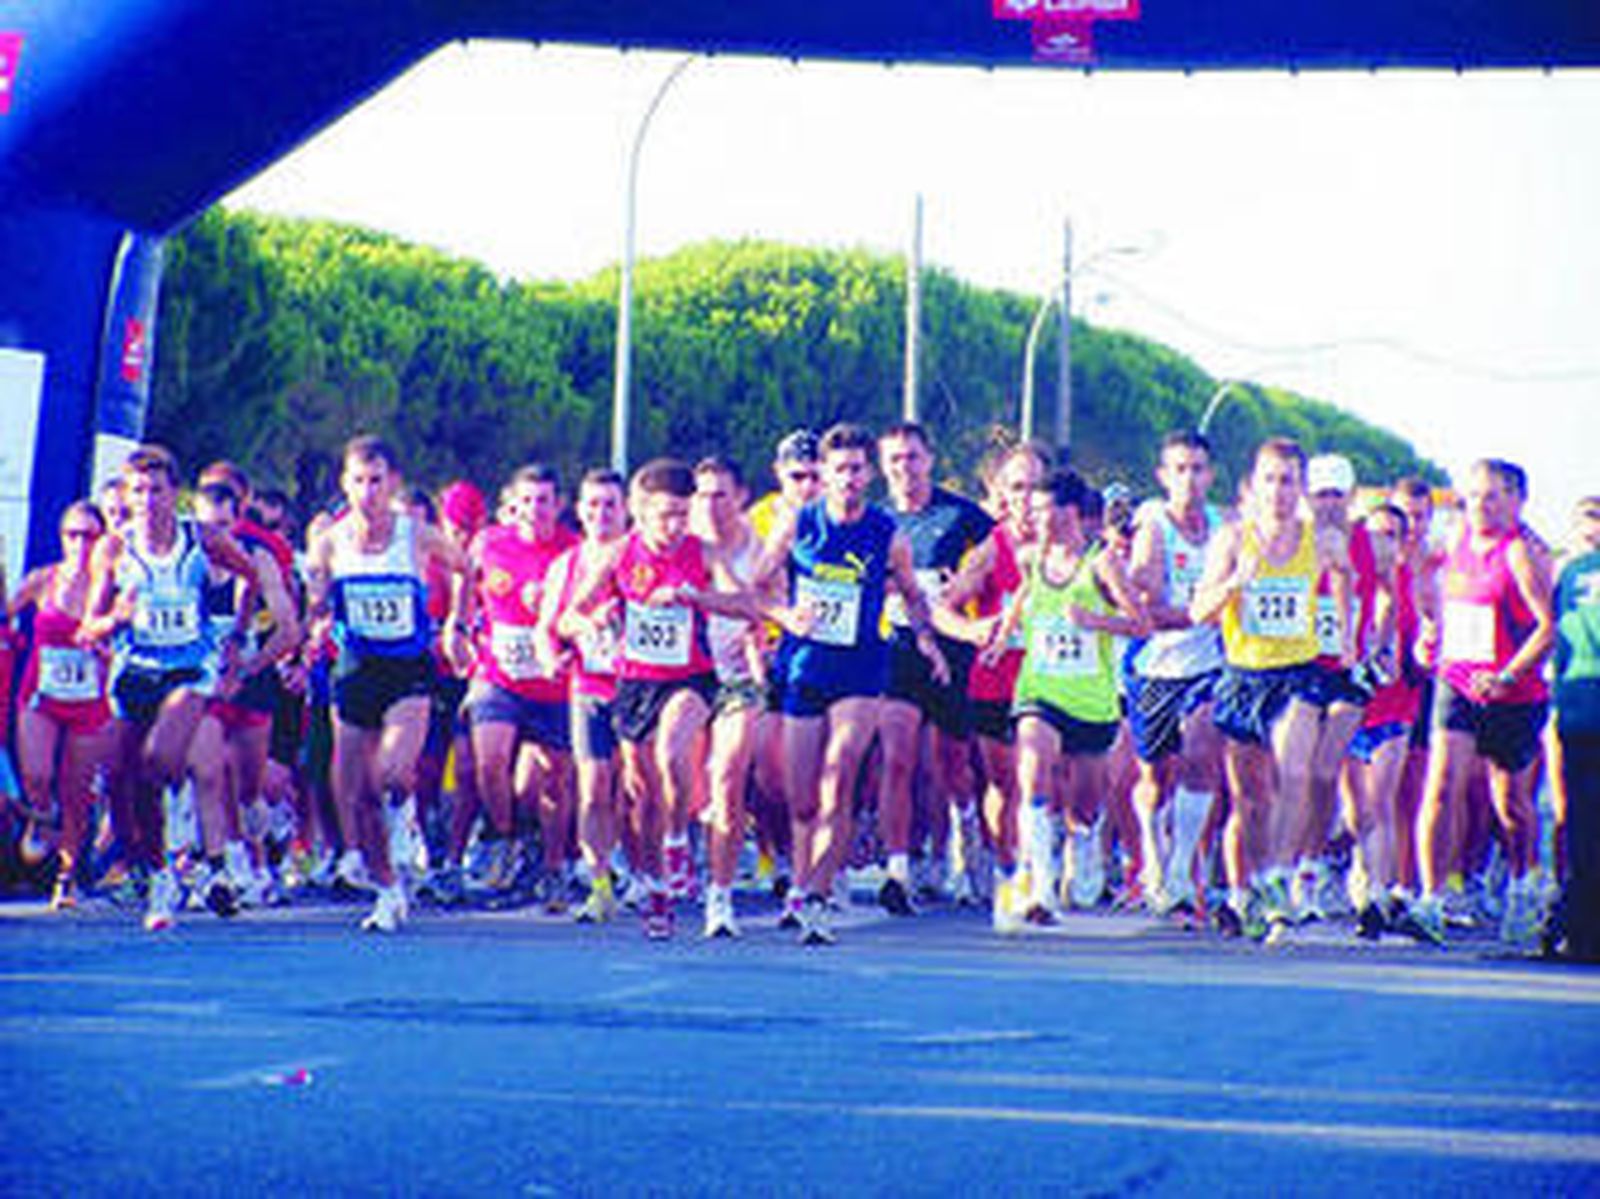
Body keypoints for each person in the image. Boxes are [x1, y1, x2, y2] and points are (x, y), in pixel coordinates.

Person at [753, 422, 946, 945]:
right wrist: (783, 615)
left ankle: (815, 897)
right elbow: (757, 587)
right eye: (838, 469)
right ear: (824, 474)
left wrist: (927, 640)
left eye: (858, 468)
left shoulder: (888, 534)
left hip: (861, 671)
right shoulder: (798, 524)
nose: (848, 478)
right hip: (804, 670)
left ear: (869, 474)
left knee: (838, 777)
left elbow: (910, 594)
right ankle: (805, 879)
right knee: (800, 798)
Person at [562, 458, 757, 939]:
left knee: (673, 755)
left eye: (681, 514)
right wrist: (592, 621)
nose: (674, 526)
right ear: (639, 512)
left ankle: (676, 846)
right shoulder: (617, 556)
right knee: (642, 794)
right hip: (633, 685)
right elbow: (566, 619)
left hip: (690, 679)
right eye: (664, 515)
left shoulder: (703, 552)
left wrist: (697, 597)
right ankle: (657, 891)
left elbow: (746, 603)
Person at [81, 445, 260, 931]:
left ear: (174, 494)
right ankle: (159, 873)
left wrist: (236, 640)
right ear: (126, 495)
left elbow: (253, 575)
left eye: (157, 490)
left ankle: (183, 862)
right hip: (134, 672)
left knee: (159, 758)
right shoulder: (114, 549)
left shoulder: (200, 539)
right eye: (137, 491)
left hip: (189, 669)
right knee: (119, 775)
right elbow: (87, 627)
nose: (147, 501)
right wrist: (113, 618)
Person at [303, 435, 464, 932]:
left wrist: (457, 624)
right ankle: (387, 890)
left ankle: (407, 816)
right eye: (358, 481)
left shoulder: (415, 534)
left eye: (377, 481)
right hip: (354, 668)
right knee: (356, 793)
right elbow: (316, 598)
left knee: (390, 773)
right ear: (344, 484)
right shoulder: (329, 540)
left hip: (408, 670)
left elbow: (467, 567)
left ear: (393, 482)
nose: (367, 491)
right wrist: (317, 618)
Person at [1190, 437, 1348, 941]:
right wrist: (1236, 581)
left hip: (1297, 674)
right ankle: (1243, 891)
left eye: (1289, 481)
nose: (1280, 491)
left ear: (1301, 487)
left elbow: (1354, 580)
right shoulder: (1233, 539)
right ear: (1253, 485)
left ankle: (1278, 877)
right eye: (1271, 480)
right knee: (1249, 801)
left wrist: (1349, 633)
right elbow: (1198, 611)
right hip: (1243, 675)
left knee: (1295, 772)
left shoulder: (1320, 540)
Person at [1402, 459, 1554, 949]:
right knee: (1441, 784)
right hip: (1457, 681)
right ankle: (1430, 899)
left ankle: (1524, 881)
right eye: (1472, 497)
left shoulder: (1521, 555)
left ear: (1516, 500)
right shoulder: (1453, 542)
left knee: (1509, 804)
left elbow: (1547, 629)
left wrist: (1508, 675)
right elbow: (1430, 591)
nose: (1480, 507)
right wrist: (1429, 634)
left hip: (1513, 692)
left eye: (1492, 496)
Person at [988, 468, 1148, 926]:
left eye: (1043, 509)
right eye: (1032, 508)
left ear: (1070, 512)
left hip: (1090, 701)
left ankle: (1084, 842)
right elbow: (1023, 596)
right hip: (1040, 689)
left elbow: (1141, 624)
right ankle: (1038, 884)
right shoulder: (1031, 556)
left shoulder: (1102, 563)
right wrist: (1003, 636)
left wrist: (1096, 622)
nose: (1034, 517)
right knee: (1033, 767)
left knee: (1084, 804)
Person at [447, 465, 578, 911]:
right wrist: (458, 626)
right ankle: (503, 838)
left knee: (553, 783)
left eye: (544, 500)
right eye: (527, 500)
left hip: (553, 682)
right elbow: (466, 579)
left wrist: (560, 613)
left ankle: (553, 865)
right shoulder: (490, 543)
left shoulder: (572, 550)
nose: (535, 509)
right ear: (513, 503)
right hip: (497, 674)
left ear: (558, 505)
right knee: (490, 762)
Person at [875, 422, 993, 914]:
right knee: (897, 757)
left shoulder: (961, 515)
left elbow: (1000, 557)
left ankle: (966, 837)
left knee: (953, 765)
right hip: (897, 649)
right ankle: (898, 869)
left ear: (931, 460)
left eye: (913, 458)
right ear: (884, 467)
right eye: (896, 460)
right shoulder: (876, 521)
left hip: (953, 650)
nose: (905, 468)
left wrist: (967, 581)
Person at [937, 442, 1046, 931]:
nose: (1025, 499)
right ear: (1001, 493)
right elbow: (944, 608)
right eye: (1016, 488)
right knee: (1005, 785)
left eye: (1034, 488)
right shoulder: (990, 550)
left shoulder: (1068, 549)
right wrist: (972, 631)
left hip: (1052, 685)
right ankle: (1009, 872)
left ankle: (1038, 869)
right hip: (995, 681)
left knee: (1040, 780)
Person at [1125, 430, 1227, 917]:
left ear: (1210, 475)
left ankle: (1184, 869)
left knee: (1202, 752)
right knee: (1153, 777)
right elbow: (1149, 611)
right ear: (1163, 476)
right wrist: (1202, 609)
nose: (1189, 479)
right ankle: (1152, 855)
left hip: (1208, 665)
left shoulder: (1224, 527)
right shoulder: (1153, 530)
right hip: (1157, 666)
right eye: (1179, 469)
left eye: (1197, 469)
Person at [8, 502, 116, 909]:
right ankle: (40, 814)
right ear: (62, 538)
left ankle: (67, 874)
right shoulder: (43, 580)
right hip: (41, 695)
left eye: (90, 536)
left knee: (76, 792)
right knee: (37, 775)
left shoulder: (110, 588)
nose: (81, 544)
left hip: (89, 701)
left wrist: (106, 648)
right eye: (73, 534)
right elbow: (7, 613)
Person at [542, 468, 629, 923]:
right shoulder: (567, 565)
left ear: (626, 509)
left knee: (639, 790)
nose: (600, 514)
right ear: (579, 510)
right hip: (589, 686)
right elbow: (550, 624)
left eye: (610, 504)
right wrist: (555, 650)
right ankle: (598, 882)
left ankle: (648, 871)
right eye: (592, 505)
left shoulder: (641, 555)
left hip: (641, 690)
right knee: (593, 788)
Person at [692, 456, 768, 938]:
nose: (711, 505)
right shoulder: (682, 546)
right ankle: (700, 852)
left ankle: (720, 898)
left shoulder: (759, 548)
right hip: (689, 676)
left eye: (720, 494)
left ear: (740, 496)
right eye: (702, 495)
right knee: (686, 787)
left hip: (741, 678)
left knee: (727, 775)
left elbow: (763, 607)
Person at [1549, 495, 1600, 961]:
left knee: (1581, 823)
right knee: (1581, 822)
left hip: (1576, 706)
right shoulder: (1565, 573)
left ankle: (1581, 931)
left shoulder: (1565, 574)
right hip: (1578, 708)